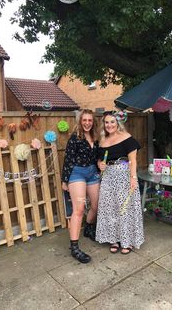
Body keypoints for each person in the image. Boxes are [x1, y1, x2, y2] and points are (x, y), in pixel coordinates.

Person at [96, 110, 144, 254]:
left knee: (125, 208)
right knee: (110, 208)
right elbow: (99, 160)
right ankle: (113, 239)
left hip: (124, 175)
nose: (109, 125)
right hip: (108, 177)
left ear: (118, 123)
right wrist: (100, 165)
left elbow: (133, 160)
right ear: (103, 125)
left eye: (112, 122)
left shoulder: (126, 137)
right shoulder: (102, 141)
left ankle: (127, 241)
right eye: (106, 122)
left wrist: (133, 178)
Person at [62, 109, 100, 263]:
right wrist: (65, 180)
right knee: (78, 209)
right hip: (77, 173)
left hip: (92, 172)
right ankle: (74, 247)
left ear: (93, 122)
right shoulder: (75, 138)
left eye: (90, 120)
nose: (87, 123)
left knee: (96, 205)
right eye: (84, 120)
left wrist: (100, 165)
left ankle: (89, 228)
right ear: (80, 121)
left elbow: (97, 157)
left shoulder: (96, 137)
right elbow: (68, 159)